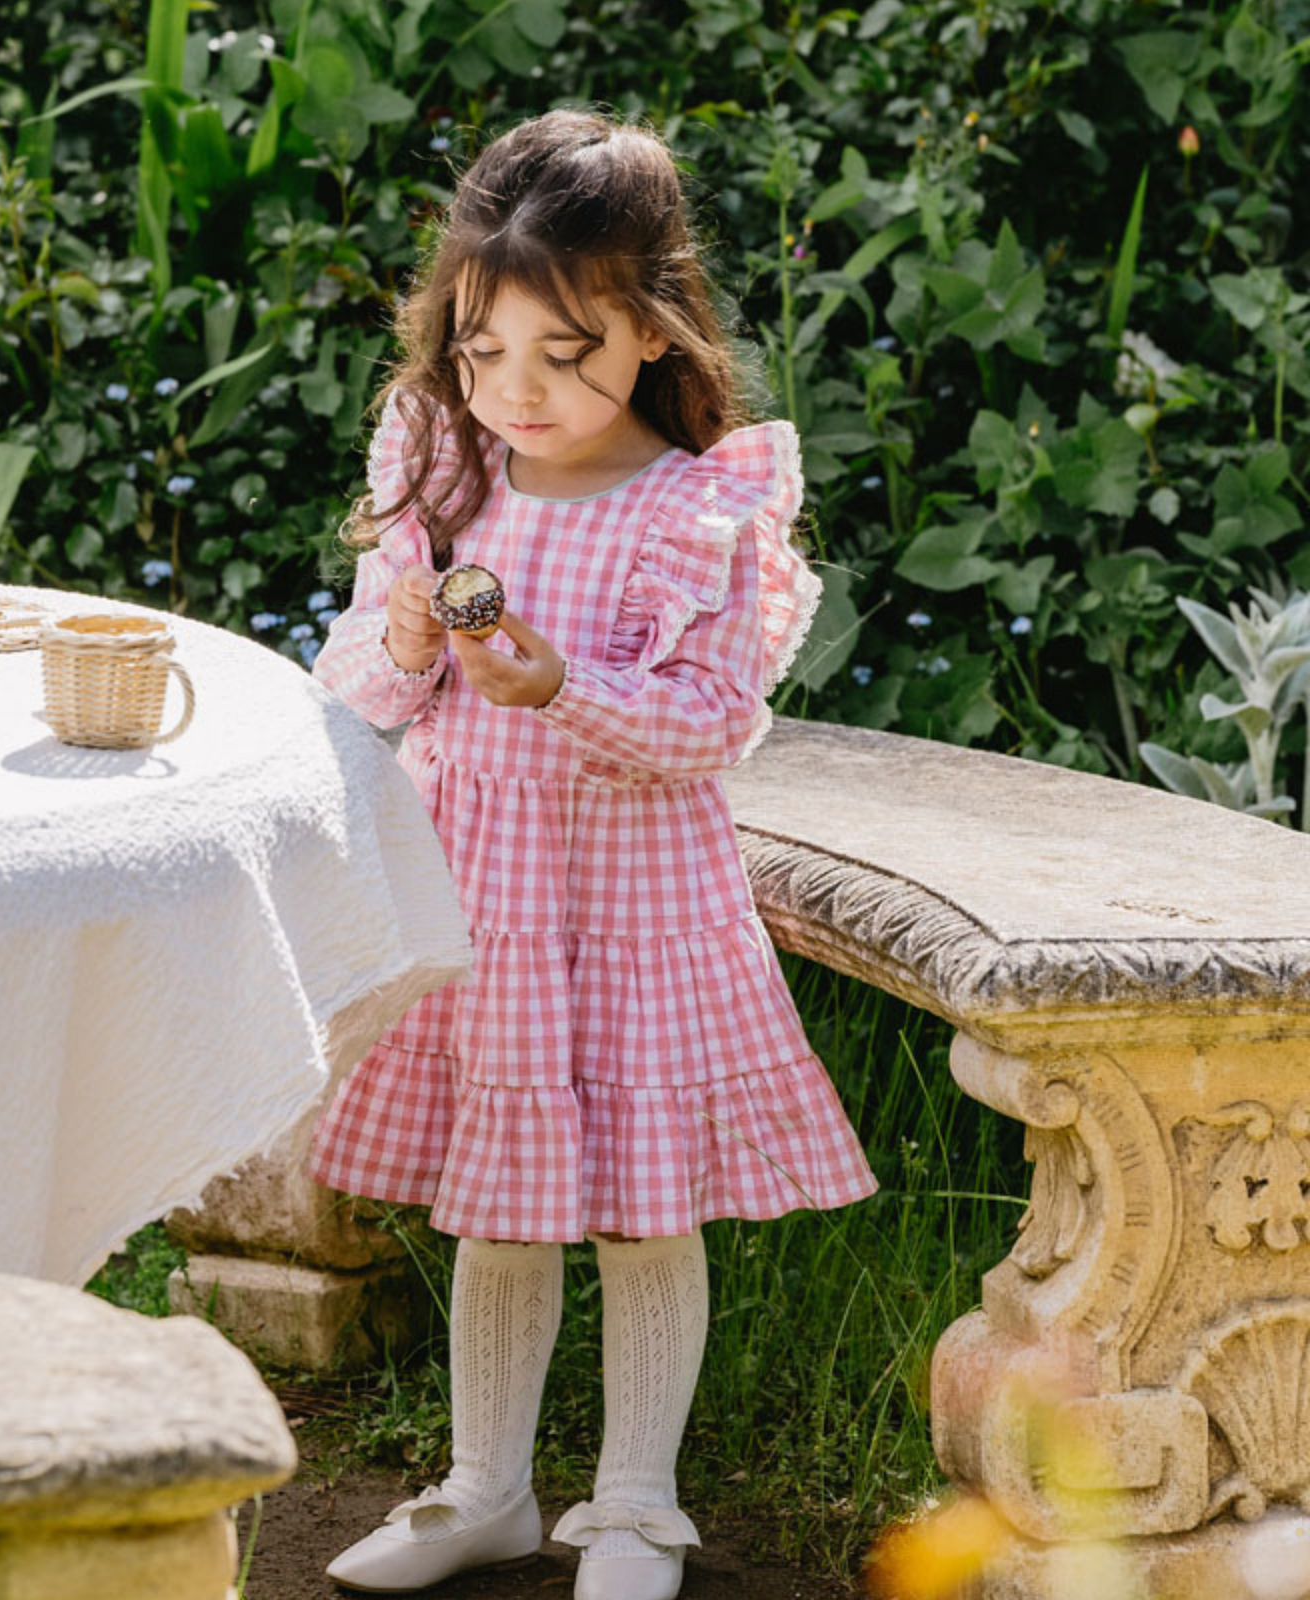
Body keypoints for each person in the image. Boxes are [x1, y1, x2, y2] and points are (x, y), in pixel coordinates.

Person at [308, 108, 876, 1600]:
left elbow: (710, 724)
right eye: (483, 351)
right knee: (505, 1195)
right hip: (487, 896)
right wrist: (413, 635)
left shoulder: (699, 506)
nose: (515, 390)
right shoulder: (448, 471)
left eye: (562, 354)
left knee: (640, 1204)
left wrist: (560, 683)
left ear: (648, 327)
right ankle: (486, 1486)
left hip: (637, 904)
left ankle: (633, 1506)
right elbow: (357, 679)